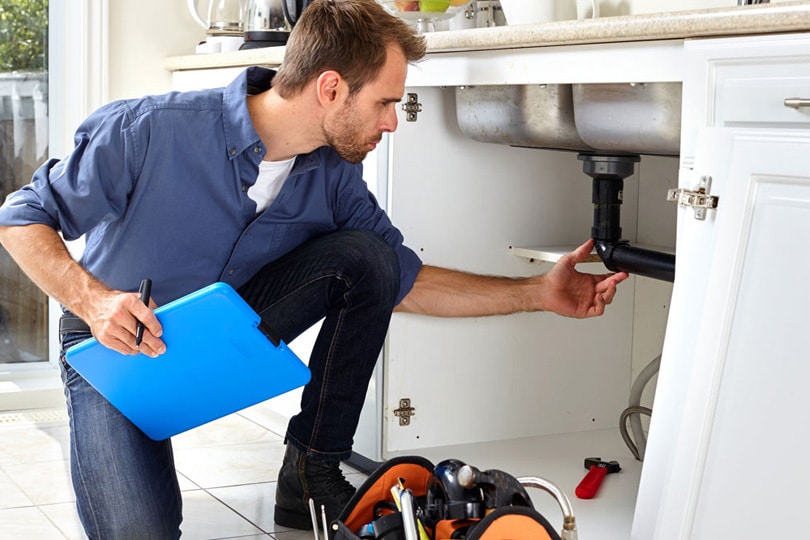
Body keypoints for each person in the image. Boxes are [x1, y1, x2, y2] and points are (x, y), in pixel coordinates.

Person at [0, 0, 628, 537]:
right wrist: (93, 300)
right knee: (141, 531)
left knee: (367, 258)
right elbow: (20, 217)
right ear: (330, 89)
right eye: (385, 102)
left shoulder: (333, 179)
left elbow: (402, 280)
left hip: (222, 330)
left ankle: (310, 476)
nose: (391, 121)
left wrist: (536, 292)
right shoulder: (148, 130)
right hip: (121, 347)